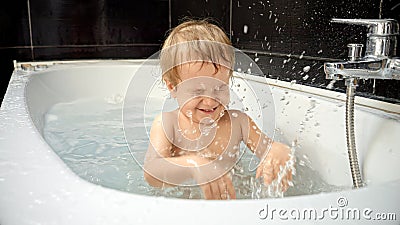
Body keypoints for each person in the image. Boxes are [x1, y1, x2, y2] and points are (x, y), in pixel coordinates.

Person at [143, 19, 293, 200]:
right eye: (197, 90)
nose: (209, 101)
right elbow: (151, 172)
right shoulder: (167, 123)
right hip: (184, 204)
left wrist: (278, 151)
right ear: (173, 87)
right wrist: (193, 165)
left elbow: (268, 147)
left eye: (219, 88)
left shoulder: (238, 122)